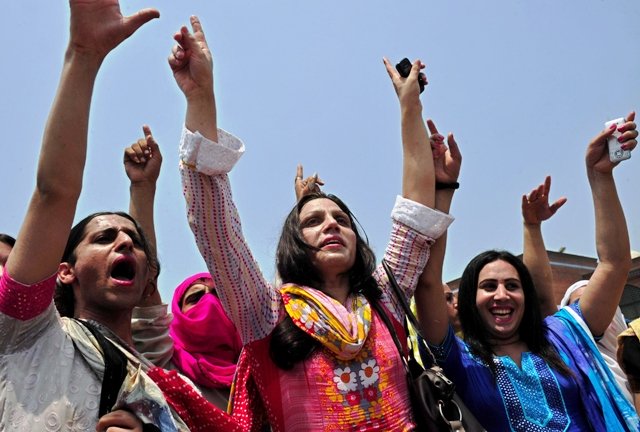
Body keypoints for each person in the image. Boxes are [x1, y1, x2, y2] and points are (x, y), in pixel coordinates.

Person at [170, 16, 453, 431]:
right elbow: (216, 231)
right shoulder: (265, 312)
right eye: (314, 220)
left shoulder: (385, 302)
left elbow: (414, 213)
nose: (331, 226)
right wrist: (200, 99)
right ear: (293, 244)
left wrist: (410, 109)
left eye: (341, 219)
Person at [0, 1, 209, 430]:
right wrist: (84, 55)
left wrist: (142, 190)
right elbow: (53, 195)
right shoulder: (29, 332)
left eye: (130, 237)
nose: (124, 241)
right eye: (102, 238)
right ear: (64, 272)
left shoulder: (168, 386)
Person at [416, 114, 639, 430]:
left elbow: (614, 265)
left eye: (512, 285)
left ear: (526, 296)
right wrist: (443, 189)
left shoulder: (562, 336)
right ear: (469, 299)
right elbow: (427, 283)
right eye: (489, 286)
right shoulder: (460, 360)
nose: (502, 294)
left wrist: (600, 175)